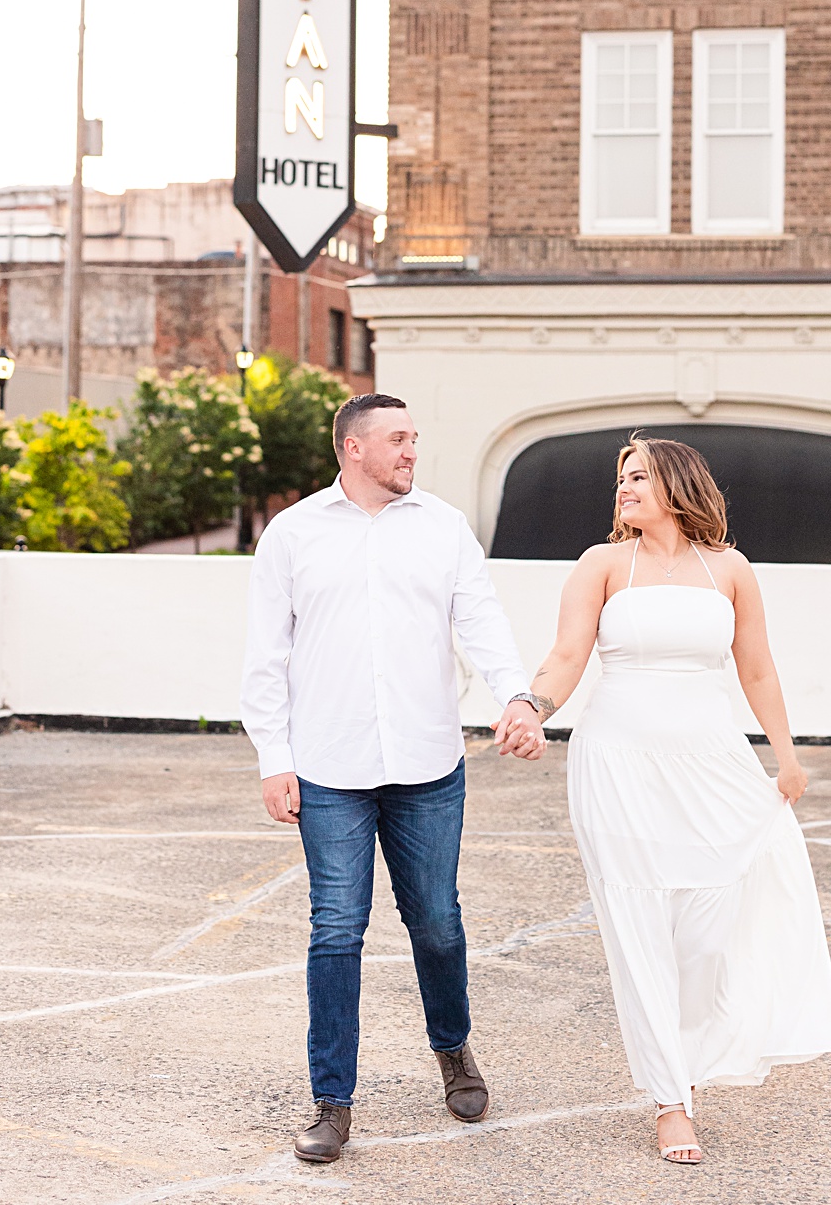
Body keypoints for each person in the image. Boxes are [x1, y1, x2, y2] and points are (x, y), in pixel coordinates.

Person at [240, 393, 546, 1165]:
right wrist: (274, 756)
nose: (413, 451)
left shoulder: (442, 527)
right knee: (336, 929)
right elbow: (265, 657)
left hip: (427, 763)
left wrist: (516, 692)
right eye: (399, 439)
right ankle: (332, 1101)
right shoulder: (293, 534)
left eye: (414, 438)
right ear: (353, 447)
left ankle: (453, 1049)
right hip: (329, 766)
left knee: (437, 922)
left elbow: (480, 620)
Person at [526, 435, 831, 1165]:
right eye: (620, 478)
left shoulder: (729, 569)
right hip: (618, 765)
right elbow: (568, 654)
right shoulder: (601, 565)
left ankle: (689, 1057)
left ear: (676, 484)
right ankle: (672, 1098)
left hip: (711, 766)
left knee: (704, 934)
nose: (624, 487)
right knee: (638, 926)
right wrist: (531, 705)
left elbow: (758, 668)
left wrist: (786, 756)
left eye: (638, 475)